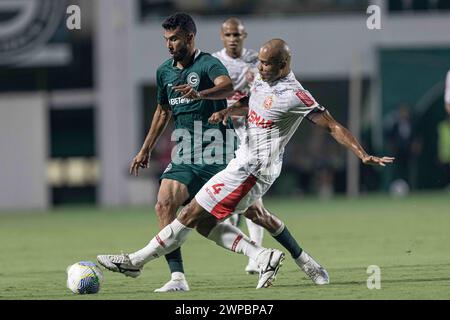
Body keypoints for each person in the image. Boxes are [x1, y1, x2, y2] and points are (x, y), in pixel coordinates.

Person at [98, 39, 394, 289]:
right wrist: (230, 112)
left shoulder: (294, 95)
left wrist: (362, 153)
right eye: (261, 62)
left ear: (284, 65)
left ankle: (136, 262)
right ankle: (279, 259)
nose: (261, 68)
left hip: (254, 172)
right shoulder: (263, 82)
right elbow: (251, 104)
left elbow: (332, 126)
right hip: (240, 164)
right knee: (208, 221)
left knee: (190, 214)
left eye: (267, 64)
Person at [127, 12, 235, 292]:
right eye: (166, 39)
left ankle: (265, 256)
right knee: (164, 204)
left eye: (174, 38)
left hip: (217, 152)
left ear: (190, 37)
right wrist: (145, 149)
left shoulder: (208, 64)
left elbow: (228, 86)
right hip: (185, 153)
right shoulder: (164, 72)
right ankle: (177, 278)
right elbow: (162, 111)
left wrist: (201, 94)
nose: (169, 44)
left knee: (219, 218)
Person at [212, 17, 265, 275]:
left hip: (249, 132)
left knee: (253, 194)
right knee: (231, 191)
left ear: (244, 36)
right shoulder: (213, 62)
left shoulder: (256, 60)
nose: (233, 38)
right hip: (221, 133)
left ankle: (256, 255)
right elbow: (213, 94)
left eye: (237, 35)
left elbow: (262, 94)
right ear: (222, 37)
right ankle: (233, 217)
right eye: (229, 35)